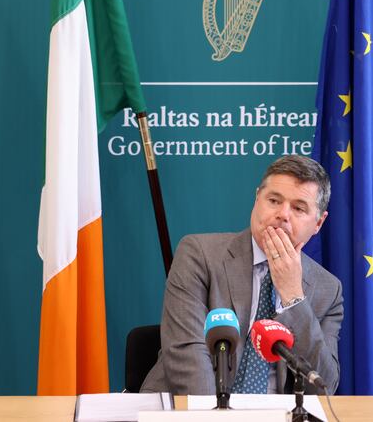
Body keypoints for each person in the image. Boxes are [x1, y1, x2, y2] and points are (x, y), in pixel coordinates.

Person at [140, 155, 343, 395]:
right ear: (257, 198)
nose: (283, 214)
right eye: (274, 200)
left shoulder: (328, 289)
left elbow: (323, 387)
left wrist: (293, 296)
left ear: (318, 223)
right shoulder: (199, 254)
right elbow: (188, 356)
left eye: (298, 208)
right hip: (192, 411)